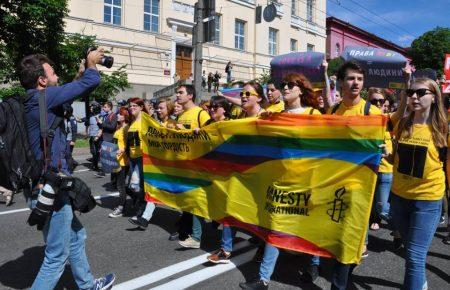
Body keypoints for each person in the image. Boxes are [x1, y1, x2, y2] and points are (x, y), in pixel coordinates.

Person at [20, 52, 115, 289]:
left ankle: (87, 285)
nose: (56, 74)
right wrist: (92, 63)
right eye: (52, 71)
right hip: (50, 190)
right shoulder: (44, 98)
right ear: (42, 80)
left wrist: (78, 76)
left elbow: (70, 93)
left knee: (76, 236)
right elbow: (91, 83)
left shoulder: (38, 101)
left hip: (49, 186)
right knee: (55, 258)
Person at [238, 75, 320, 289]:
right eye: (283, 85)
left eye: (290, 85)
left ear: (301, 90)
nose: (285, 88)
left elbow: (327, 144)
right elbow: (251, 123)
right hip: (280, 181)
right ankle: (263, 279)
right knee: (275, 228)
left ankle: (313, 263)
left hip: (306, 181)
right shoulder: (276, 114)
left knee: (306, 227)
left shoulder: (313, 114)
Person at [383, 78, 448, 290]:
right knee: (411, 250)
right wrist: (388, 154)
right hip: (400, 198)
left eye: (421, 92)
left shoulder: (443, 130)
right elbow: (397, 161)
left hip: (427, 200)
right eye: (411, 92)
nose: (414, 97)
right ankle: (420, 284)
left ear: (434, 96)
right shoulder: (402, 125)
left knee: (414, 255)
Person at [208, 81, 266, 264]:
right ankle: (226, 249)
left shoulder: (267, 117)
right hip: (240, 172)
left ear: (260, 98)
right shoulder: (239, 118)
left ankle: (264, 247)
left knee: (261, 214)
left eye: (248, 94)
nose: (244, 97)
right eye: (242, 94)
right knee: (231, 207)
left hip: (262, 173)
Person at [174, 84, 211, 248]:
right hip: (184, 164)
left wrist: (196, 130)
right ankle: (187, 230)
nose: (177, 95)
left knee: (196, 201)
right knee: (187, 199)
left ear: (190, 96)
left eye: (180, 92)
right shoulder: (181, 115)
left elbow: (211, 133)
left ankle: (196, 238)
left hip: (197, 164)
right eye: (177, 92)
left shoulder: (200, 113)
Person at [127, 98, 155, 229]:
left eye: (134, 106)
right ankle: (141, 210)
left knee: (136, 186)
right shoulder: (133, 120)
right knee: (134, 186)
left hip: (142, 157)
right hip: (132, 157)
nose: (131, 108)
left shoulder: (146, 119)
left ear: (141, 107)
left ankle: (142, 212)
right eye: (130, 106)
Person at [367, 88, 393, 231]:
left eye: (381, 101)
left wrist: (407, 80)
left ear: (385, 103)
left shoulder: (390, 119)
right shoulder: (364, 119)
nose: (377, 103)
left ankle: (401, 226)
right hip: (367, 168)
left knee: (383, 207)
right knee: (368, 202)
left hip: (385, 169)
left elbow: (404, 108)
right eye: (373, 101)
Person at [109, 107, 130, 218]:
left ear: (125, 116)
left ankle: (121, 208)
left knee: (121, 186)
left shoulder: (127, 128)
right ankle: (137, 201)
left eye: (120, 114)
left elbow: (129, 145)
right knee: (121, 185)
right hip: (116, 160)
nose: (117, 115)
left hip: (123, 161)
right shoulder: (119, 127)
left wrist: (122, 150)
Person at [96, 101, 117, 179]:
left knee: (107, 155)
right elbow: (103, 126)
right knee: (104, 154)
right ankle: (105, 170)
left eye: (105, 107)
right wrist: (99, 122)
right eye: (103, 107)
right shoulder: (106, 116)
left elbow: (112, 127)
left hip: (109, 138)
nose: (103, 108)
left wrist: (102, 123)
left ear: (109, 107)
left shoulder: (113, 116)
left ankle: (106, 171)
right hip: (104, 137)